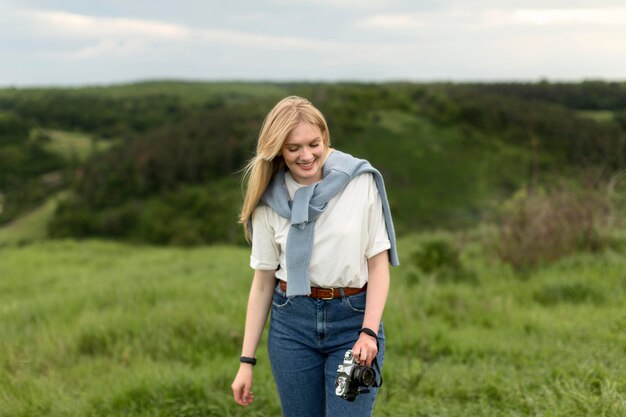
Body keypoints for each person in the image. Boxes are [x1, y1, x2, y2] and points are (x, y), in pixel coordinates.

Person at [231, 96, 399, 417]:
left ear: (326, 139)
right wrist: (246, 362)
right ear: (279, 149)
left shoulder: (359, 182)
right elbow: (264, 282)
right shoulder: (269, 201)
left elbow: (378, 265)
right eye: (294, 148)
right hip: (292, 327)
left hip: (352, 326)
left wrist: (367, 332)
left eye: (314, 144)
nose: (306, 156)